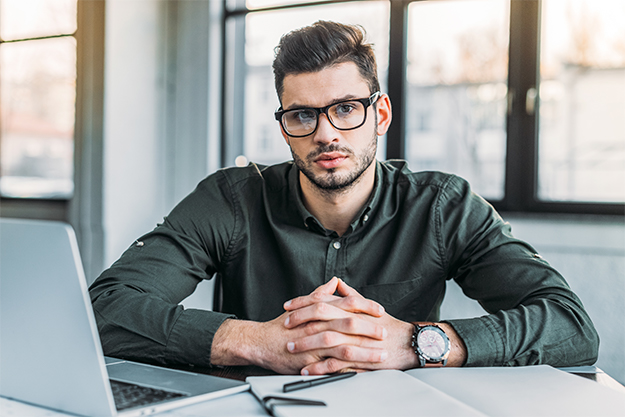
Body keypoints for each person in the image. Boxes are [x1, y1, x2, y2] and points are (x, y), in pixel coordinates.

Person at [89, 21, 599, 376]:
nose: (326, 133)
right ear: (285, 127)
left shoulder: (443, 205)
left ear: (380, 115)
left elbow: (571, 327)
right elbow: (104, 309)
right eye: (303, 115)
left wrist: (417, 342)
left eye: (347, 108)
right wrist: (258, 342)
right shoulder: (231, 199)